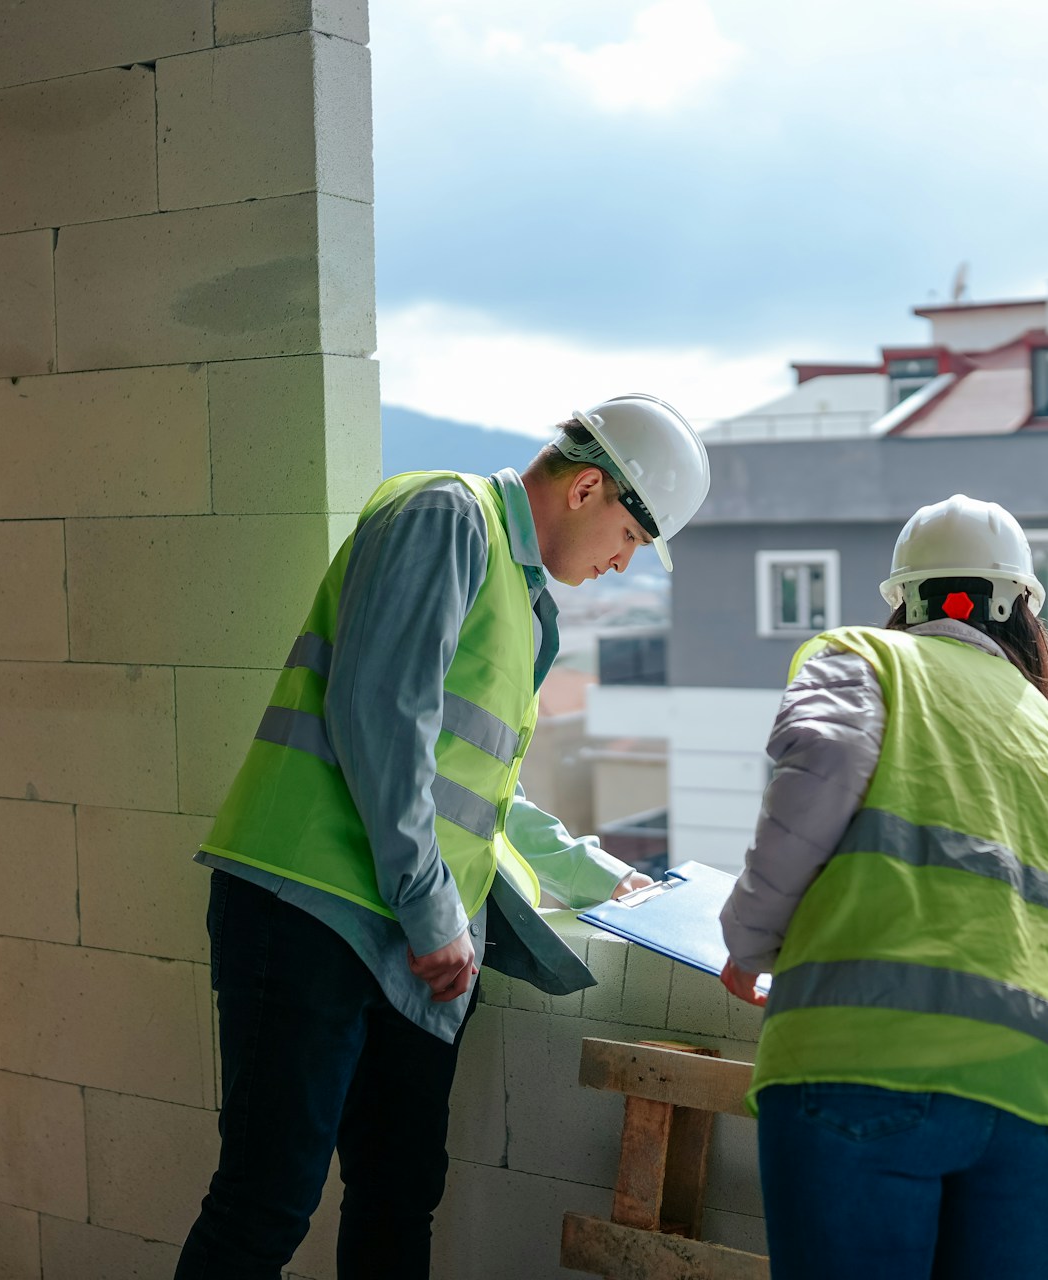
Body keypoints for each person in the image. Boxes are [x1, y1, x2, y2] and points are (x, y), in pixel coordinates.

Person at [175, 394, 711, 1279]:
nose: (623, 566)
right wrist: (435, 917)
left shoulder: (520, 592)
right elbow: (378, 716)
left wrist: (594, 877)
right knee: (264, 1204)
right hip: (311, 908)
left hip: (407, 936)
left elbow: (474, 788)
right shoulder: (445, 516)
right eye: (632, 540)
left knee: (399, 1194)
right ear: (587, 489)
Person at [716, 494, 1048, 1280]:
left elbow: (812, 791)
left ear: (904, 600)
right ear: (1024, 615)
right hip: (1037, 1101)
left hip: (869, 1063)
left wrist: (750, 942)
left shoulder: (867, 658)